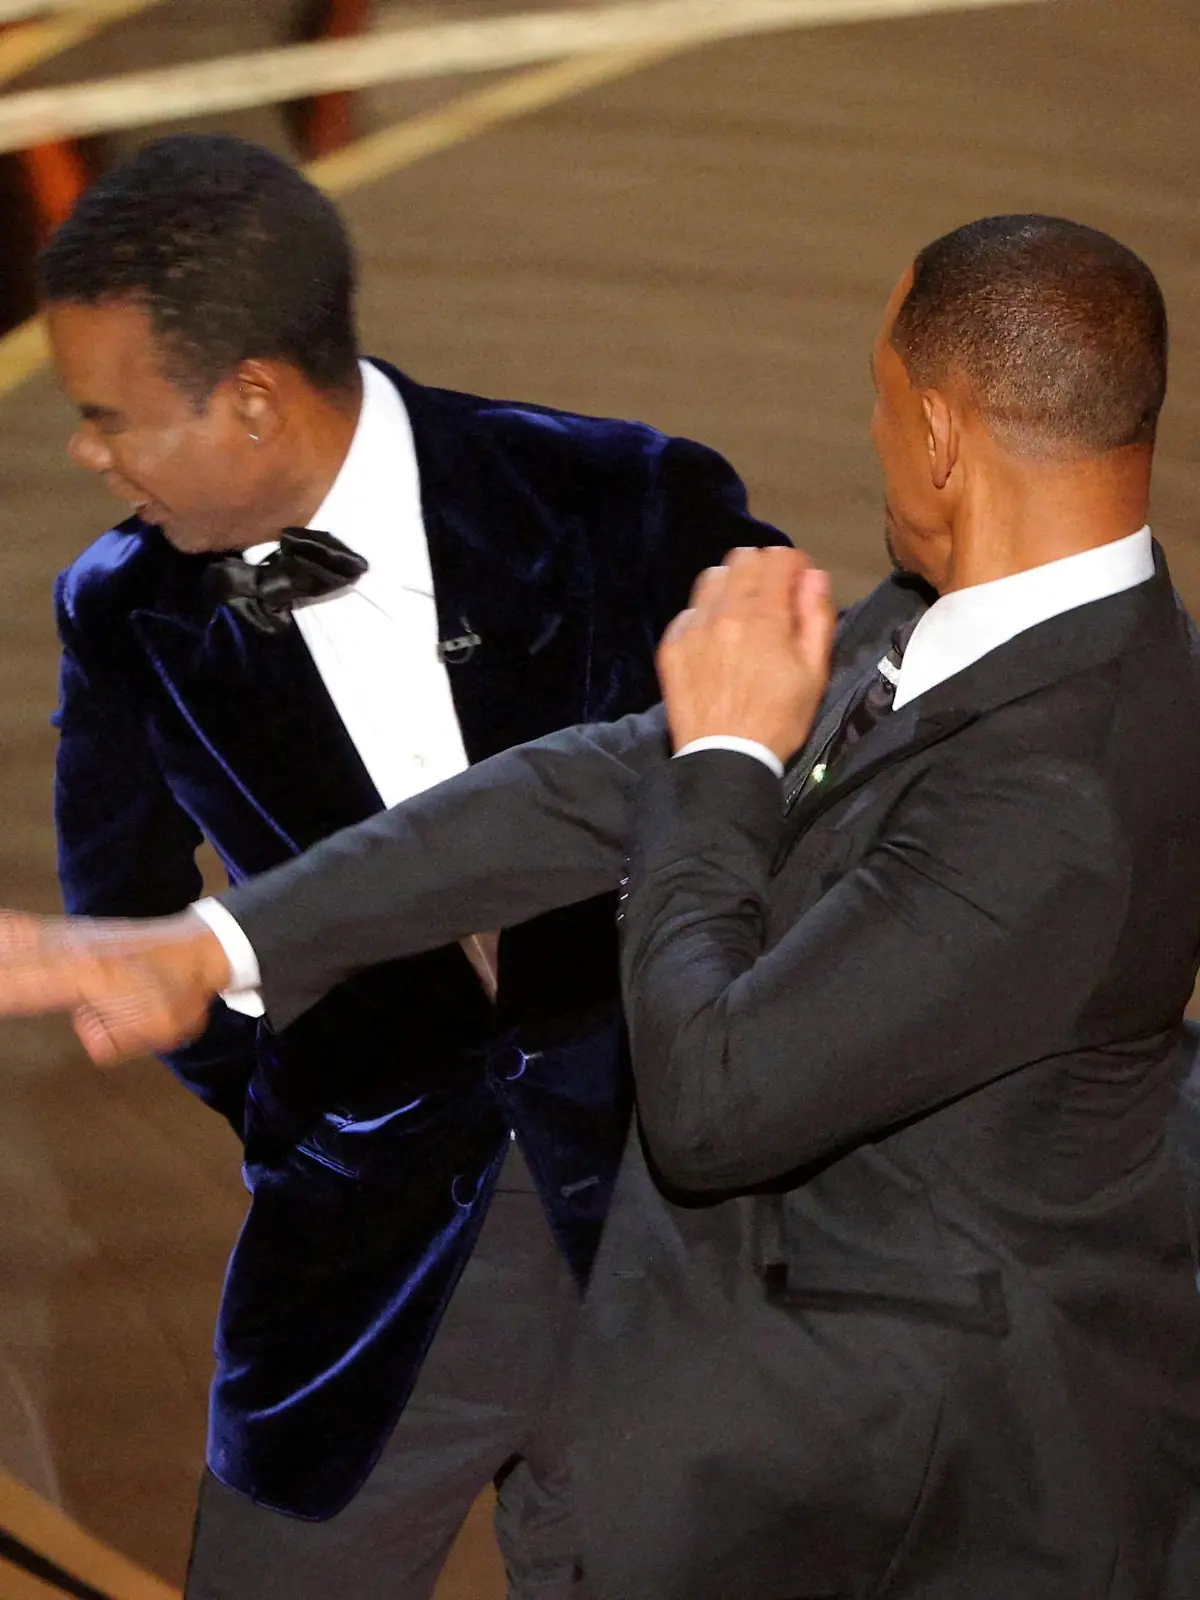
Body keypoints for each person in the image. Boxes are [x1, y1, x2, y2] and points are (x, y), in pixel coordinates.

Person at [5, 214, 1200, 1597]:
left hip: (893, 1483)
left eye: (878, 399)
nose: (871, 435)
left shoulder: (1065, 795)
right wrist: (215, 942)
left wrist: (723, 760)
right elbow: (594, 782)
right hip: (761, 1386)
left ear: (938, 431)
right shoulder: (961, 614)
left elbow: (712, 1097)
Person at [31, 133, 787, 1600]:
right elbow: (122, 919)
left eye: (109, 415)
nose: (88, 452)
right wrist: (311, 1109)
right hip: (362, 1286)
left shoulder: (624, 497)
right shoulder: (119, 610)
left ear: (251, 396)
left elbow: (802, 807)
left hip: (675, 1248)